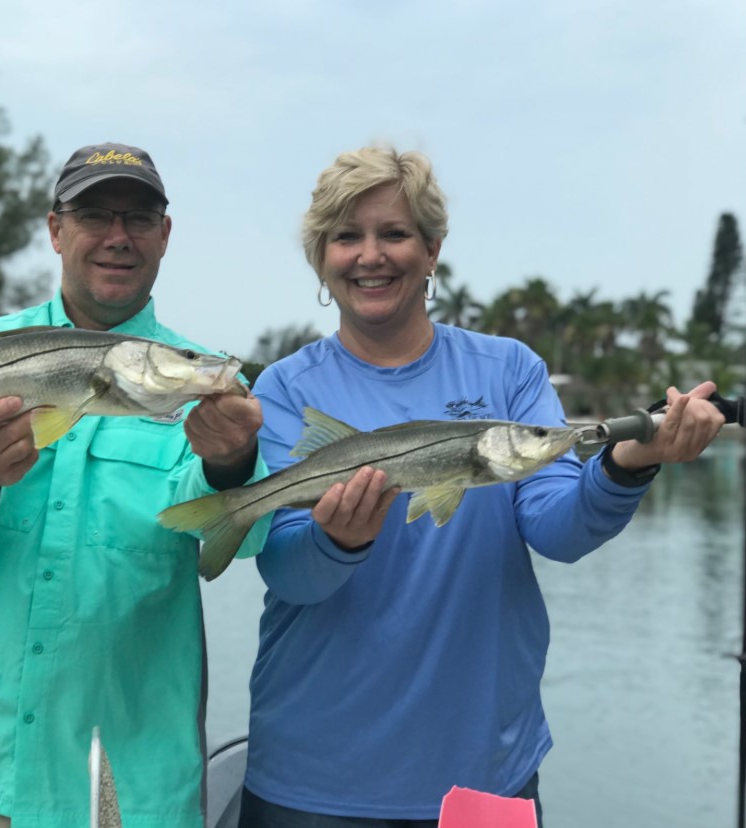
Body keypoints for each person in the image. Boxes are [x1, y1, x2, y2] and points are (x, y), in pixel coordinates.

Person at [237, 145, 726, 828]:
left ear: (433, 249)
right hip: (313, 779)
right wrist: (335, 540)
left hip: (484, 774)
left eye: (396, 233)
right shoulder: (285, 388)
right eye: (347, 236)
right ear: (321, 256)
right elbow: (288, 571)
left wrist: (627, 463)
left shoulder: (510, 371)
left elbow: (557, 527)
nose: (370, 255)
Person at [0, 142, 268, 828]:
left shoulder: (206, 382)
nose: (118, 237)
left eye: (139, 217)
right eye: (95, 214)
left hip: (132, 784)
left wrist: (229, 465)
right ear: (55, 229)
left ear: (165, 235)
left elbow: (242, 541)